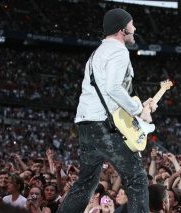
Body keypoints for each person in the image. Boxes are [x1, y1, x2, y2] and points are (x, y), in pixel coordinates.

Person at [57, 8, 157, 213]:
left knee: (86, 183)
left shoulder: (98, 52)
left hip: (86, 123)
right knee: (137, 178)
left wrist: (139, 103)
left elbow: (109, 89)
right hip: (104, 124)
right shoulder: (118, 51)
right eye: (131, 24)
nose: (135, 28)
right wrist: (139, 109)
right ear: (123, 29)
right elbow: (112, 88)